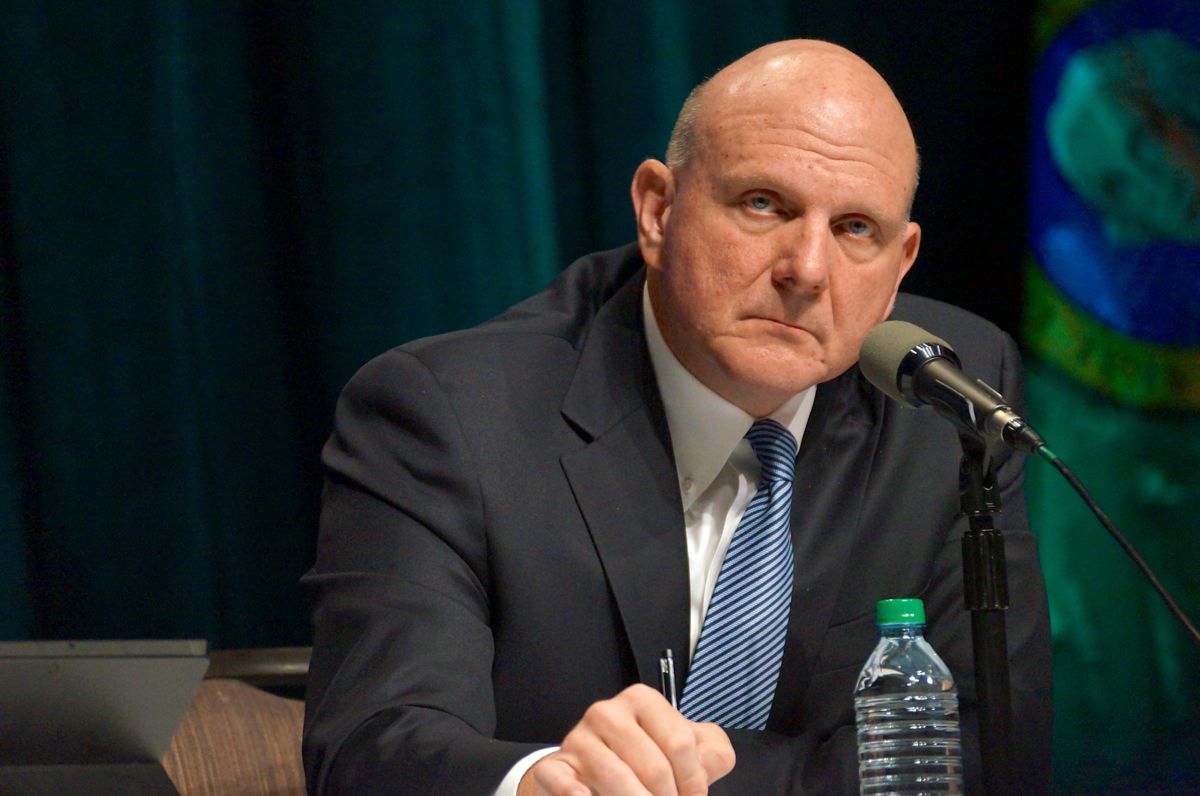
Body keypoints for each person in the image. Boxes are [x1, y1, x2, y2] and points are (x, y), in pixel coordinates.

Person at [302, 39, 1053, 795]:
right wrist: (543, 783)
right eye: (764, 204)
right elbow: (375, 747)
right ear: (658, 211)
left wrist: (679, 780)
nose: (806, 271)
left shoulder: (948, 395)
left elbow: (987, 750)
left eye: (856, 228)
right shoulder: (449, 416)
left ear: (900, 265)